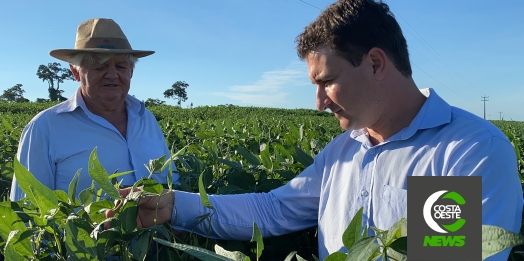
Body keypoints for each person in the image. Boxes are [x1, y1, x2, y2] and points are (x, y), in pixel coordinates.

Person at [107, 1, 522, 260]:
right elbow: (272, 210)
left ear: (376, 64)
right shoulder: (345, 150)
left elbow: (448, 257)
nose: (319, 102)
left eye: (326, 82)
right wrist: (173, 206)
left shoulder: (464, 150)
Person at [10, 18, 178, 201]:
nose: (113, 75)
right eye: (100, 66)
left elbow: (172, 184)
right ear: (76, 72)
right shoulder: (44, 128)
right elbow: (27, 210)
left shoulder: (145, 118)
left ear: (131, 71)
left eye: (121, 66)